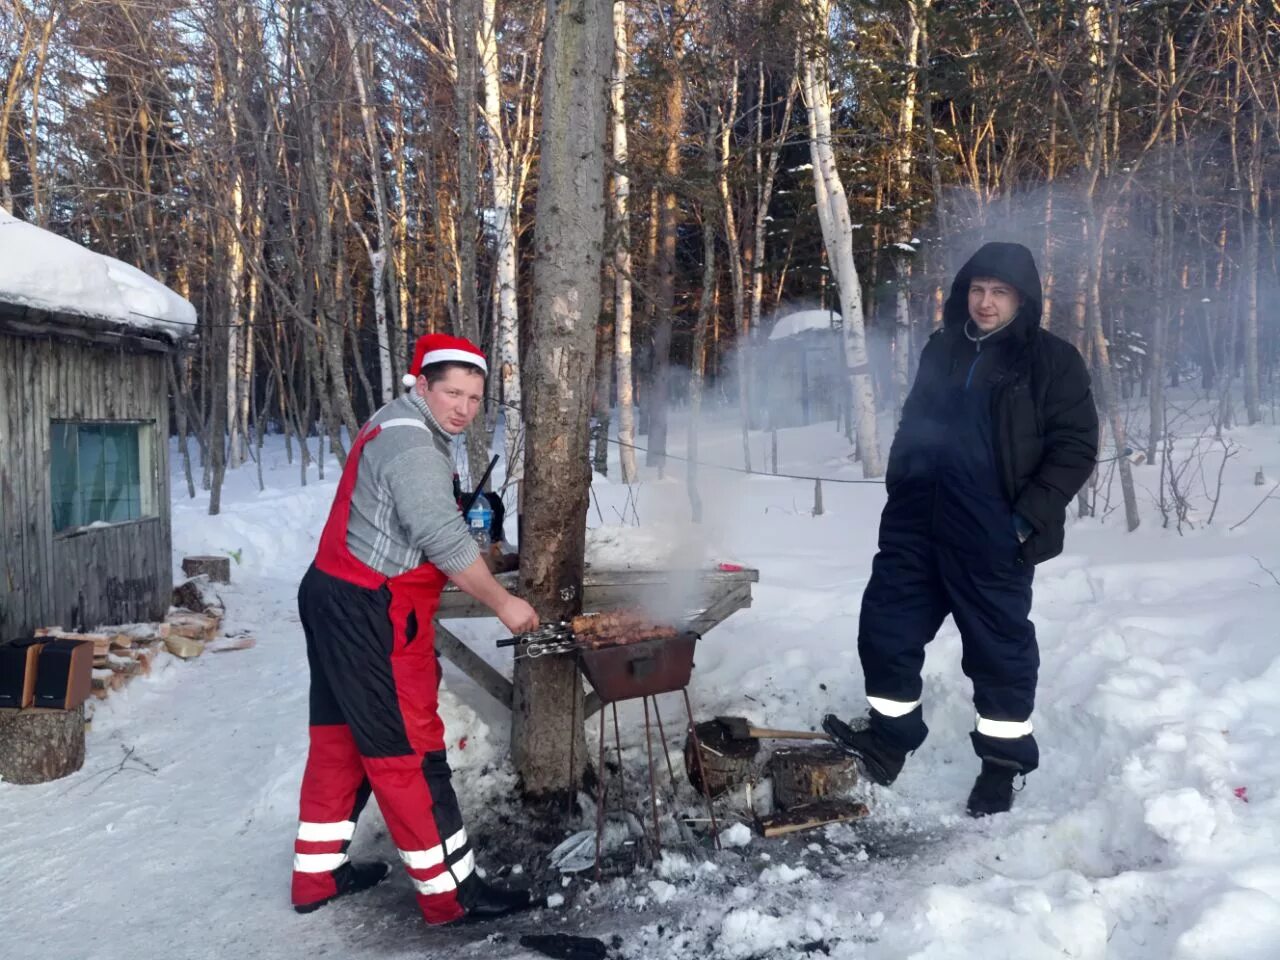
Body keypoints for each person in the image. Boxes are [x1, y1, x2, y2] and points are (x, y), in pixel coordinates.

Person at [823, 241, 1099, 817]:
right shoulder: (943, 348)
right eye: (977, 289)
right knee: (885, 631)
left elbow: (1075, 448)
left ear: (1022, 298)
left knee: (998, 653)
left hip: (993, 533)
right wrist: (901, 481)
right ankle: (890, 739)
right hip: (917, 525)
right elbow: (913, 419)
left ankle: (1001, 765)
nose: (986, 302)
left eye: (999, 292)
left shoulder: (1052, 361)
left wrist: (1024, 520)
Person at [290, 332, 539, 924]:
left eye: (475, 398)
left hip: (335, 593)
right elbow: (441, 537)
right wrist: (505, 605)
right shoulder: (414, 447)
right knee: (408, 749)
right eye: (452, 392)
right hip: (369, 611)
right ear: (421, 384)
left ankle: (317, 876)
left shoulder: (399, 421)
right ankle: (453, 896)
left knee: (340, 741)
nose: (463, 407)